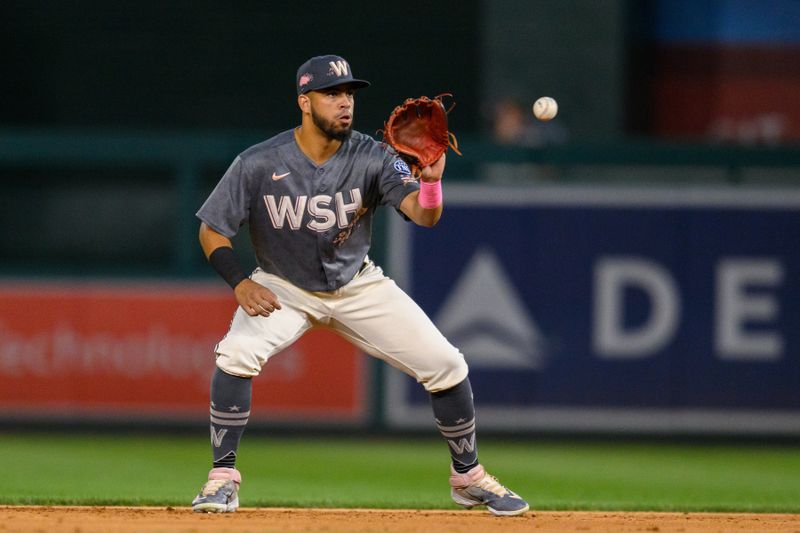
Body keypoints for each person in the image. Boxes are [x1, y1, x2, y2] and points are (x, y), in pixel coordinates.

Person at [191, 54, 529, 517]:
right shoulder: (259, 162)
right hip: (283, 285)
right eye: (332, 94)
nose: (345, 103)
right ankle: (222, 479)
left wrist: (430, 184)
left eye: (349, 93)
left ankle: (468, 478)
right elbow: (211, 228)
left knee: (446, 363)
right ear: (304, 102)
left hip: (357, 283)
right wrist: (239, 282)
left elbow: (424, 216)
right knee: (235, 355)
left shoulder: (374, 156)